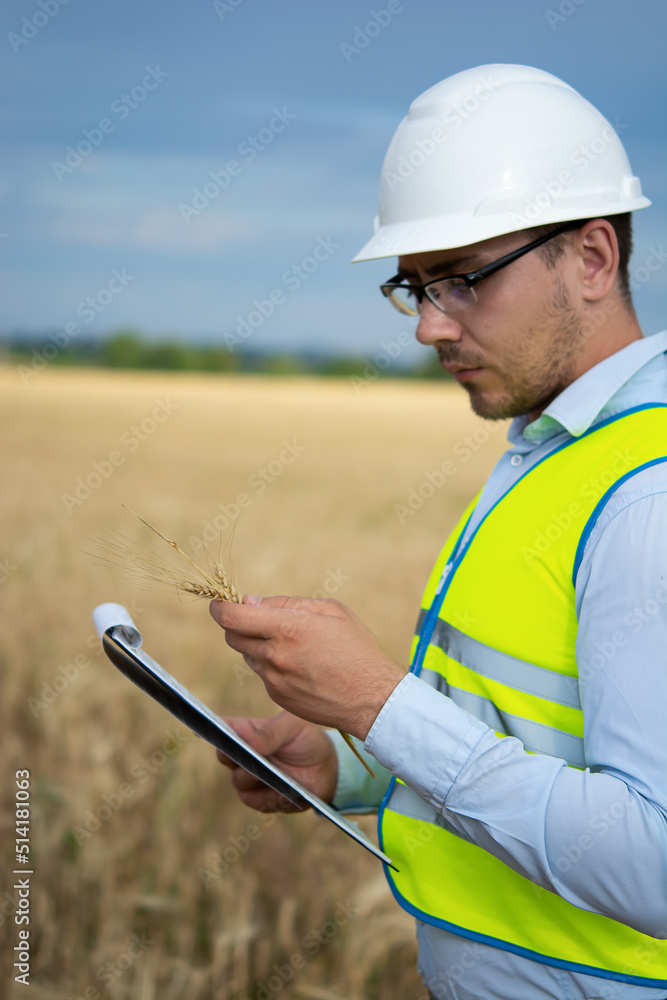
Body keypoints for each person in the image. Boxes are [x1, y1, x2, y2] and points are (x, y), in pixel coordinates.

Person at [210, 65, 667, 999]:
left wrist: (380, 705)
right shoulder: (555, 448)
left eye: (461, 280)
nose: (427, 327)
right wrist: (356, 764)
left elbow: (654, 864)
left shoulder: (645, 494)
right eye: (412, 287)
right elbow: (528, 741)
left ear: (590, 258)